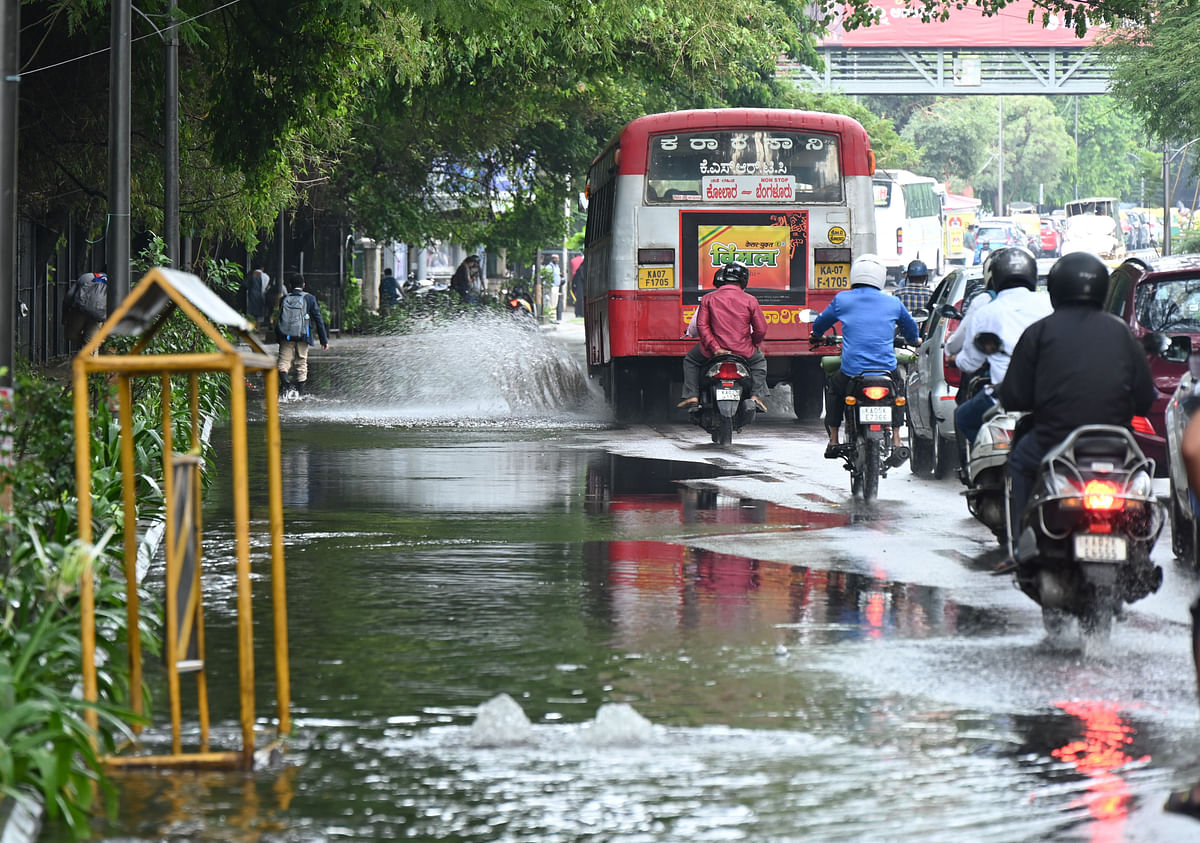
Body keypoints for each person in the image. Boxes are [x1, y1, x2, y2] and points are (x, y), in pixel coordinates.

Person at [998, 251, 1156, 562]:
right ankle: (1142, 552)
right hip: (1115, 445)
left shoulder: (1039, 332)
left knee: (1018, 462)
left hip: (1052, 440)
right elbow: (1145, 398)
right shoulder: (1121, 332)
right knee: (1142, 483)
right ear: (1100, 288)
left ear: (1056, 288)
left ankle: (1020, 546)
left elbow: (1014, 395)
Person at [952, 247, 1052, 475]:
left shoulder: (987, 312)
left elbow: (969, 363)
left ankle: (983, 468)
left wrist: (957, 359)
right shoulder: (1048, 305)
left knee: (963, 416)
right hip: (1048, 395)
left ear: (994, 277)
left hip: (1004, 397)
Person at [812, 253, 919, 463]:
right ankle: (896, 439)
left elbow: (819, 325)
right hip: (886, 370)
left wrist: (817, 336)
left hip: (853, 371)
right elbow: (911, 330)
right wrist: (915, 341)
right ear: (880, 276)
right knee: (899, 393)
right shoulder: (893, 302)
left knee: (834, 389)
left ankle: (834, 439)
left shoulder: (842, 299)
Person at [677, 261, 768, 413]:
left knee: (691, 360)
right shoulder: (750, 300)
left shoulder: (708, 298)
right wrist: (753, 343)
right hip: (743, 351)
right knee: (759, 361)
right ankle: (755, 397)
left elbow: (702, 326)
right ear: (744, 279)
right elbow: (761, 329)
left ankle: (692, 396)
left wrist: (715, 348)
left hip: (711, 351)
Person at [275, 277, 329, 396]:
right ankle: (300, 393)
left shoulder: (284, 298)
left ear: (290, 285)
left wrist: (279, 337)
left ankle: (285, 384)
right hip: (303, 336)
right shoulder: (309, 298)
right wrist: (323, 340)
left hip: (286, 336)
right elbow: (318, 319)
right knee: (301, 363)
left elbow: (280, 319)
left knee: (283, 362)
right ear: (303, 285)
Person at [62, 266, 108, 346]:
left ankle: (83, 346)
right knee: (91, 344)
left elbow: (68, 296)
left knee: (70, 335)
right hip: (98, 315)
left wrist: (64, 315)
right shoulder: (114, 282)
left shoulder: (87, 276)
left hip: (79, 311)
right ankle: (89, 350)